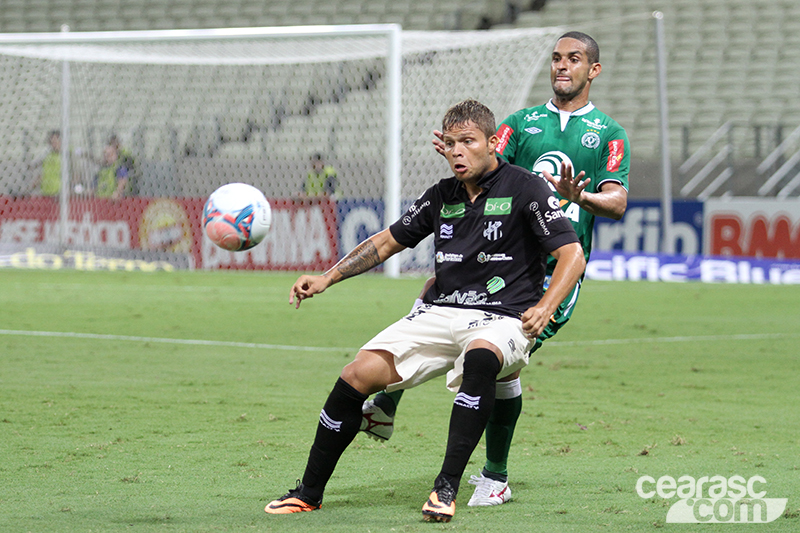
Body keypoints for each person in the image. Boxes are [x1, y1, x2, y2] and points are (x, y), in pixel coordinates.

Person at [265, 99, 586, 522]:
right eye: (450, 143)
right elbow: (384, 242)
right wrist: (327, 277)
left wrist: (545, 307)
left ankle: (445, 487)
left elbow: (572, 254)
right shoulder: (440, 195)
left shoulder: (526, 187)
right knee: (355, 375)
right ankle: (308, 492)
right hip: (437, 312)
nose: (457, 151)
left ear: (493, 143)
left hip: (503, 317)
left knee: (481, 358)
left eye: (468, 142)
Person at [360, 31, 630, 507]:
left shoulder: (609, 134)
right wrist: (457, 152)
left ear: (594, 70)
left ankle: (494, 473)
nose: (561, 66)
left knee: (501, 364)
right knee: (435, 294)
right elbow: (487, 157)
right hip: (502, 259)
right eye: (556, 58)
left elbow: (617, 201)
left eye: (574, 59)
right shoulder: (521, 124)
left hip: (554, 271)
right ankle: (392, 404)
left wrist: (579, 197)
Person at [94, 135, 136, 199]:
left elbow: (122, 180)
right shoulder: (101, 169)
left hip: (113, 199)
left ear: (115, 155)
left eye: (109, 155)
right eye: (105, 154)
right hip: (101, 198)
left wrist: (118, 192)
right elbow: (95, 183)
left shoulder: (118, 167)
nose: (106, 157)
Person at [31, 130, 62, 196]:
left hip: (60, 193)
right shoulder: (48, 156)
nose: (54, 144)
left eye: (55, 141)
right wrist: (30, 188)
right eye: (52, 142)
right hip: (46, 192)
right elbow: (42, 174)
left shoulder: (67, 156)